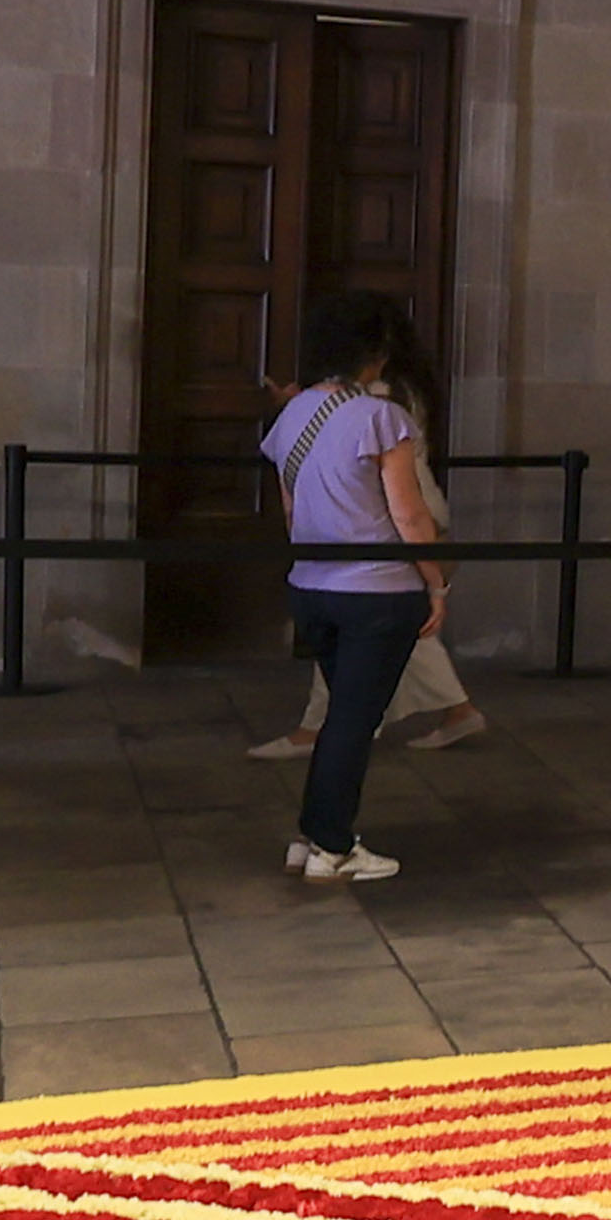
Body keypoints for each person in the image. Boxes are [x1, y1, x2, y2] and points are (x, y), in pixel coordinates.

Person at [258, 287, 448, 888]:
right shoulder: (378, 417)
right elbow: (409, 514)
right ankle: (333, 846)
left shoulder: (291, 414)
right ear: (373, 352)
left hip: (312, 586)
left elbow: (291, 512)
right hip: (377, 592)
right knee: (353, 722)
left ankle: (315, 834)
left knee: (345, 715)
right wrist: (435, 582)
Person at [247, 301, 480, 765]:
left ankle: (324, 729)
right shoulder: (395, 394)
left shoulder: (379, 401)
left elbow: (380, 478)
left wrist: (297, 406)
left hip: (389, 529)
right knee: (399, 632)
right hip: (390, 529)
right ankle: (449, 711)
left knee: (371, 628)